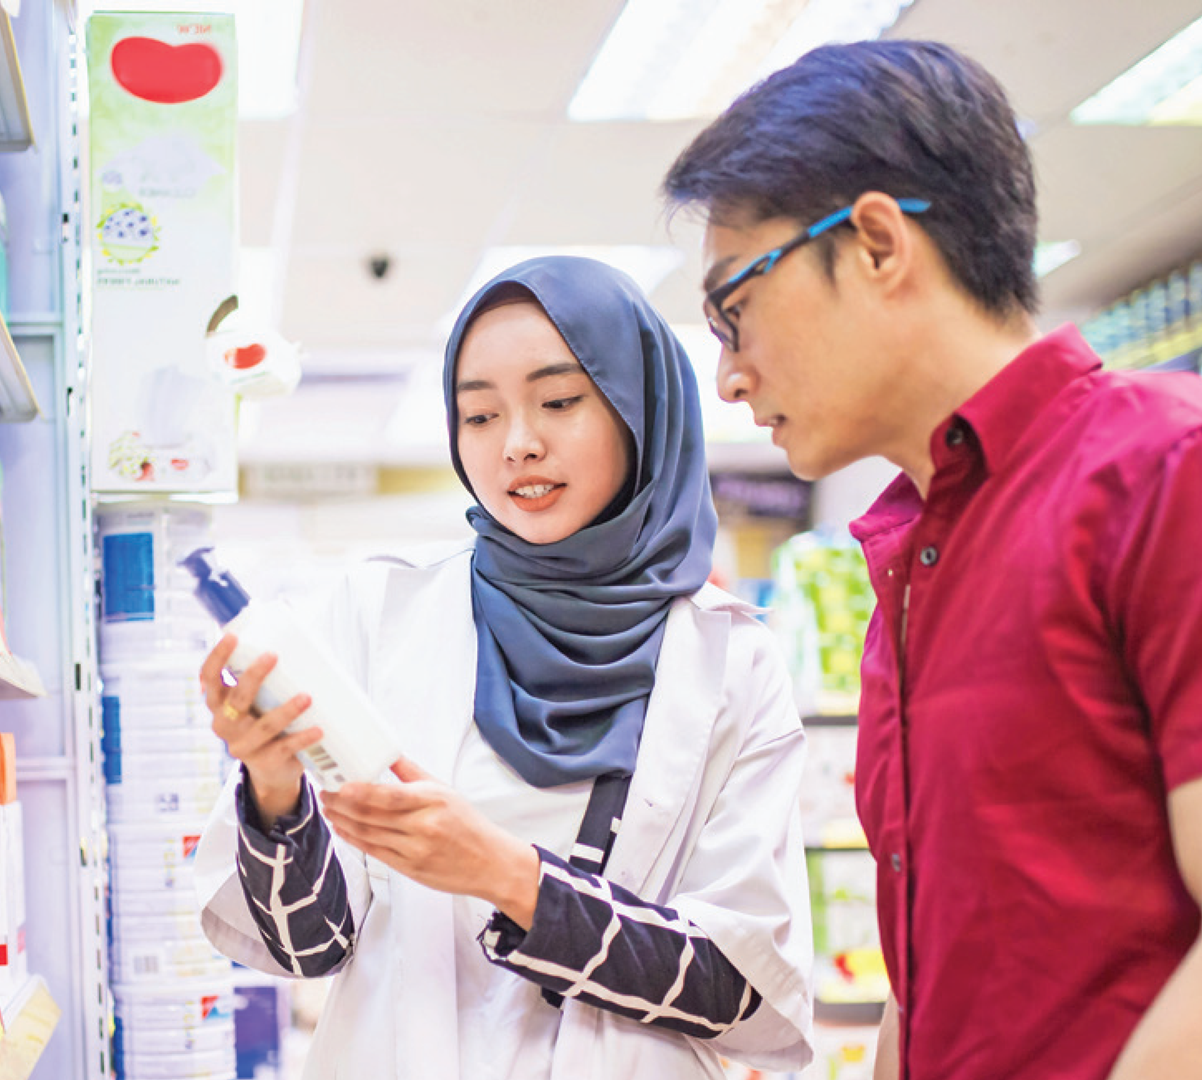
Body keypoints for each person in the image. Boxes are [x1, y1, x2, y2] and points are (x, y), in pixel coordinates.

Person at [662, 38, 1202, 1080]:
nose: (727, 376)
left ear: (872, 242)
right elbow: (943, 976)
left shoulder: (1162, 472)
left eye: (734, 309)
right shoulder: (907, 564)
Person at [193, 255, 814, 1079]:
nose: (517, 445)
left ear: (640, 408)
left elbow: (740, 987)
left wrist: (506, 876)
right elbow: (312, 950)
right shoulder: (377, 616)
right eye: (479, 416)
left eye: (559, 401)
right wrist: (275, 793)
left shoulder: (732, 660)